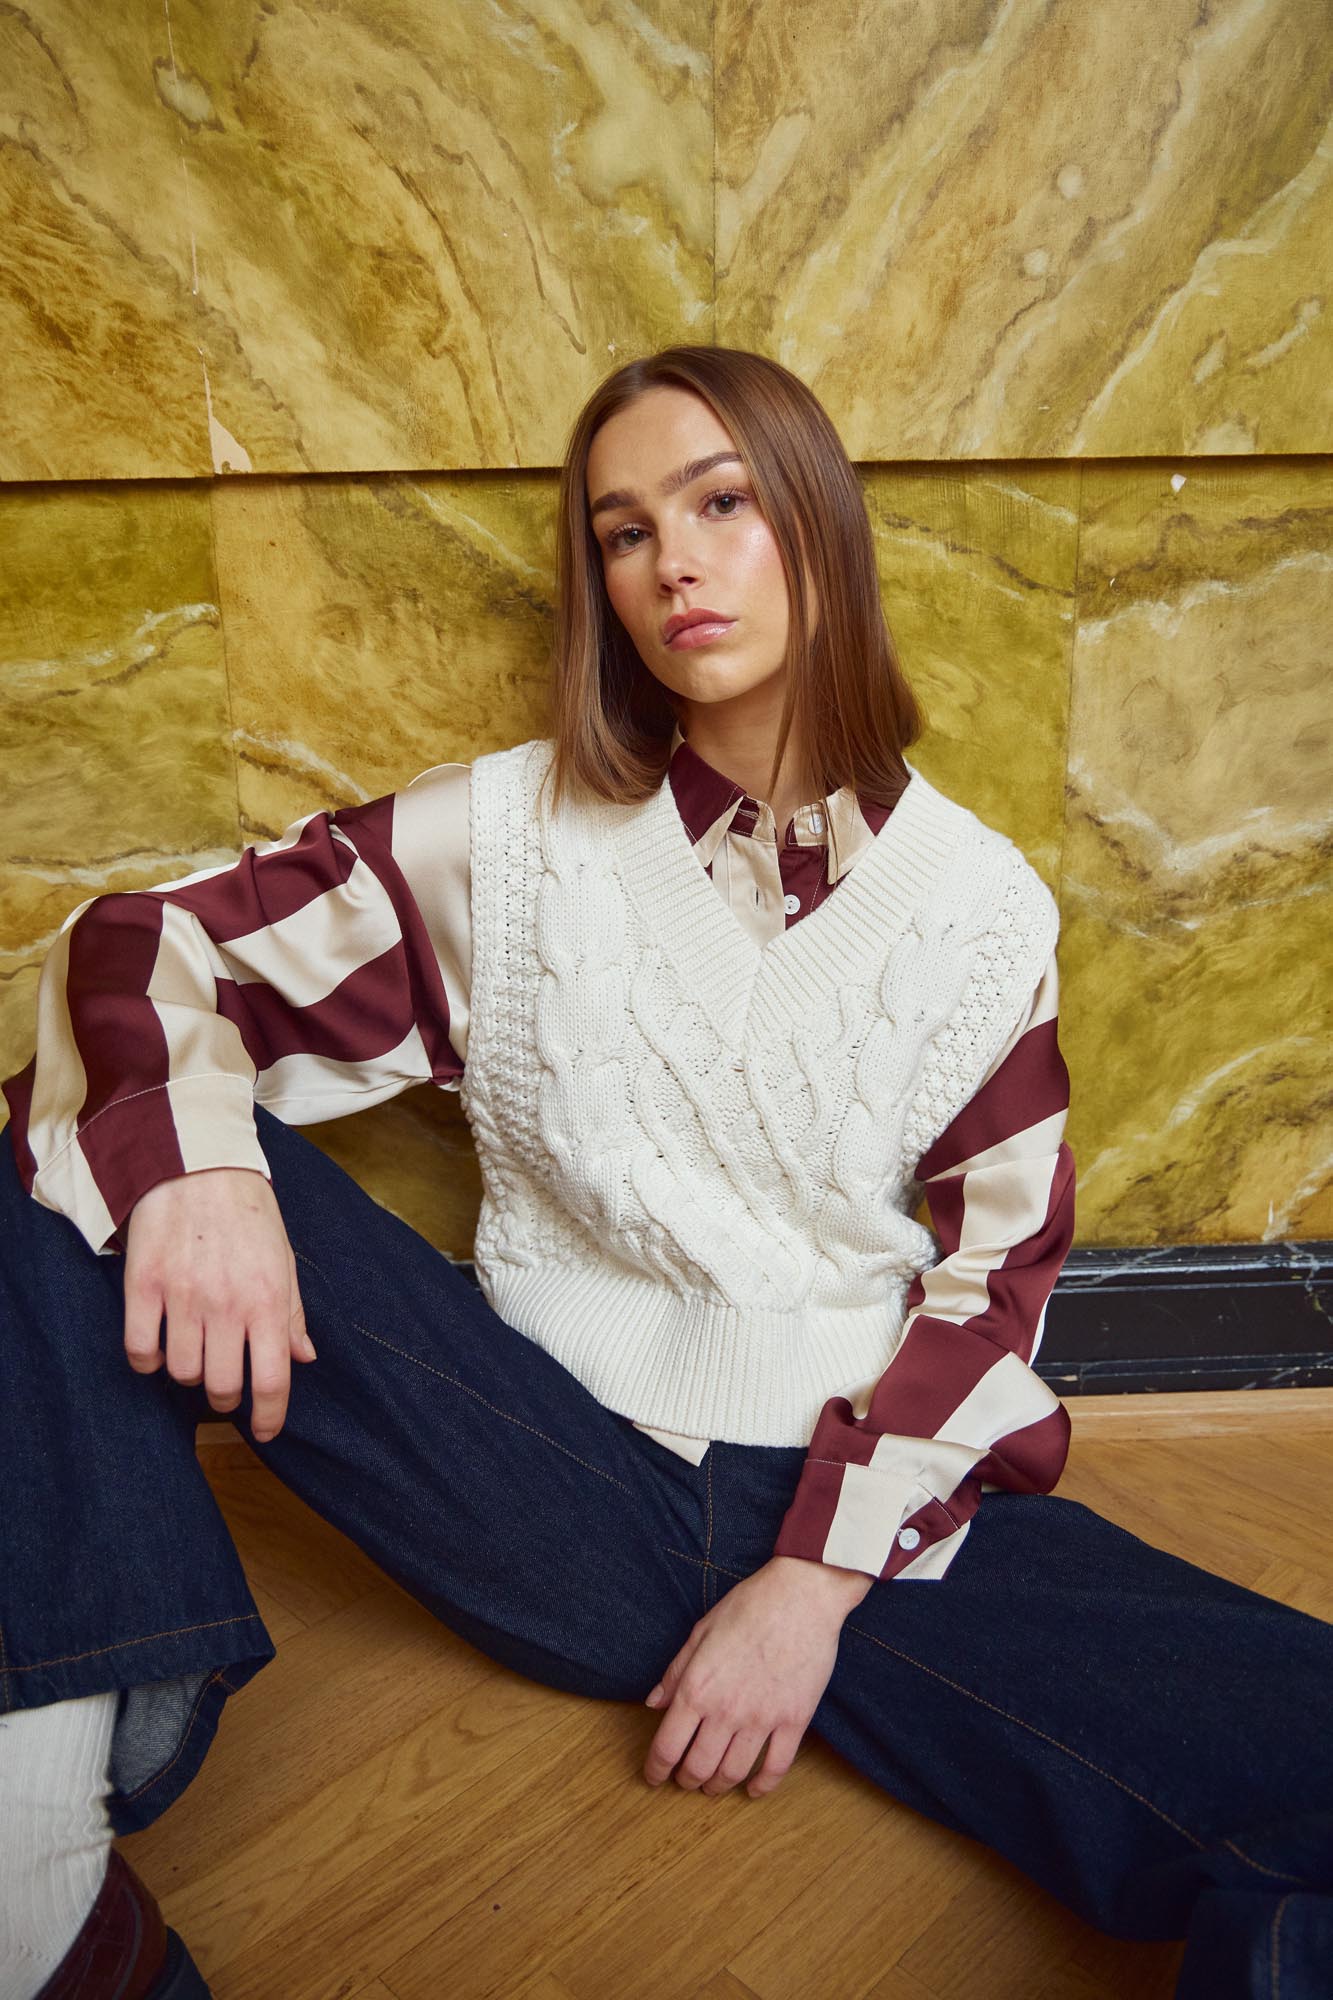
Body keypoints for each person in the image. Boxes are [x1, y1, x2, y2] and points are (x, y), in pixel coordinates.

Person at [0, 344, 1329, 2000]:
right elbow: (145, 945)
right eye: (624, 532)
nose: (672, 564)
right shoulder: (507, 840)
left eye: (719, 504)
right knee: (78, 1135)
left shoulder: (979, 907)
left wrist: (808, 1589)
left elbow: (995, 1284)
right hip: (538, 1469)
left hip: (856, 1489)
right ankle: (39, 1874)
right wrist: (205, 1175)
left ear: (817, 526)